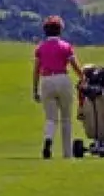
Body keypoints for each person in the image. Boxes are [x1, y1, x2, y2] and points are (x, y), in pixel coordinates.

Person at [32, 15, 84, 159]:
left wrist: (35, 90)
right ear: (60, 30)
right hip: (62, 79)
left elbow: (36, 70)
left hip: (47, 80)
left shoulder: (40, 48)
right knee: (66, 118)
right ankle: (67, 153)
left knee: (51, 118)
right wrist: (83, 78)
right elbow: (75, 66)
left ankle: (48, 139)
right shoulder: (66, 47)